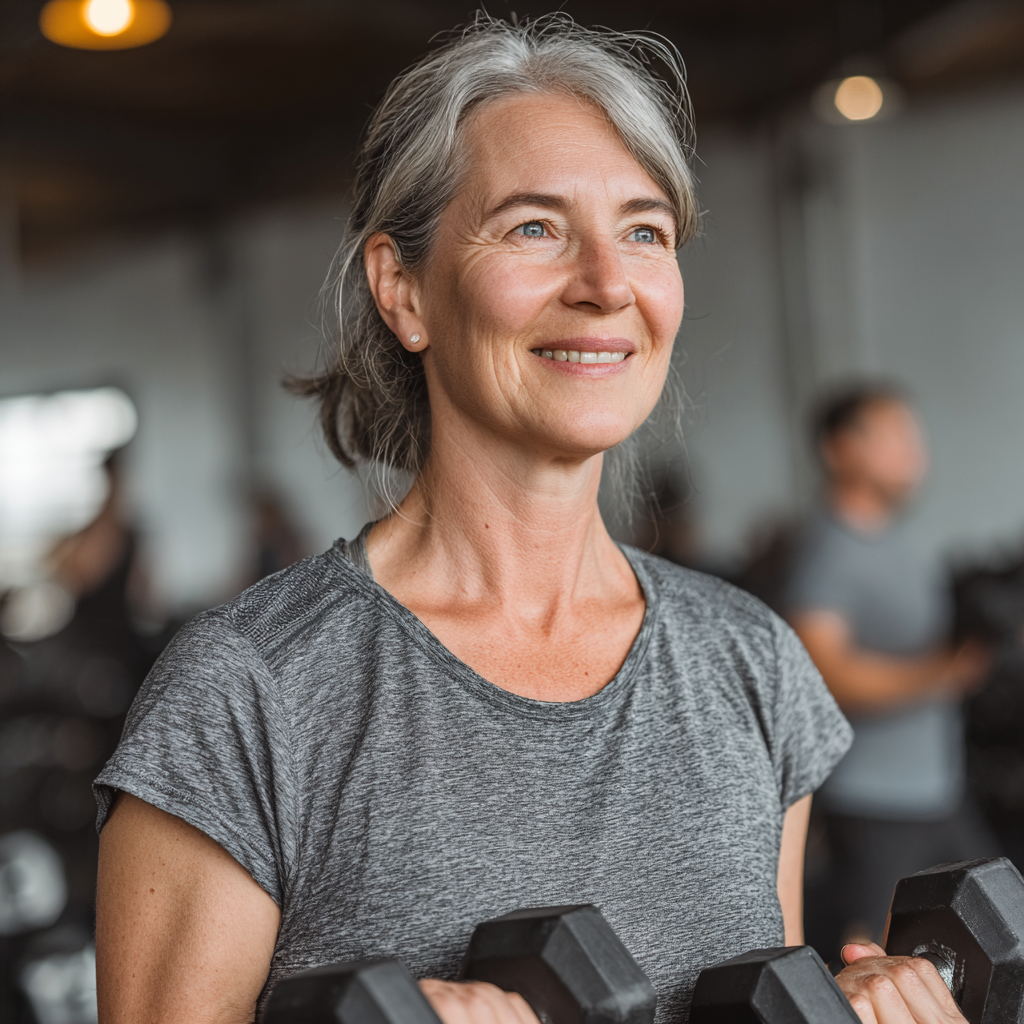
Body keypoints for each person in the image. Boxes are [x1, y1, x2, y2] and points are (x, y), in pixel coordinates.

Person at [94, 17, 966, 1024]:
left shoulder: (748, 664)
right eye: (534, 227)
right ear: (404, 290)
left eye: (642, 230)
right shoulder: (251, 689)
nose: (605, 284)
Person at [786, 383, 995, 949]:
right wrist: (942, 674)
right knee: (872, 960)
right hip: (875, 800)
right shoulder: (829, 552)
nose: (916, 454)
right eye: (896, 437)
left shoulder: (897, 541)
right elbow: (825, 673)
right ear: (840, 448)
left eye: (915, 438)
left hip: (937, 790)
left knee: (993, 938)